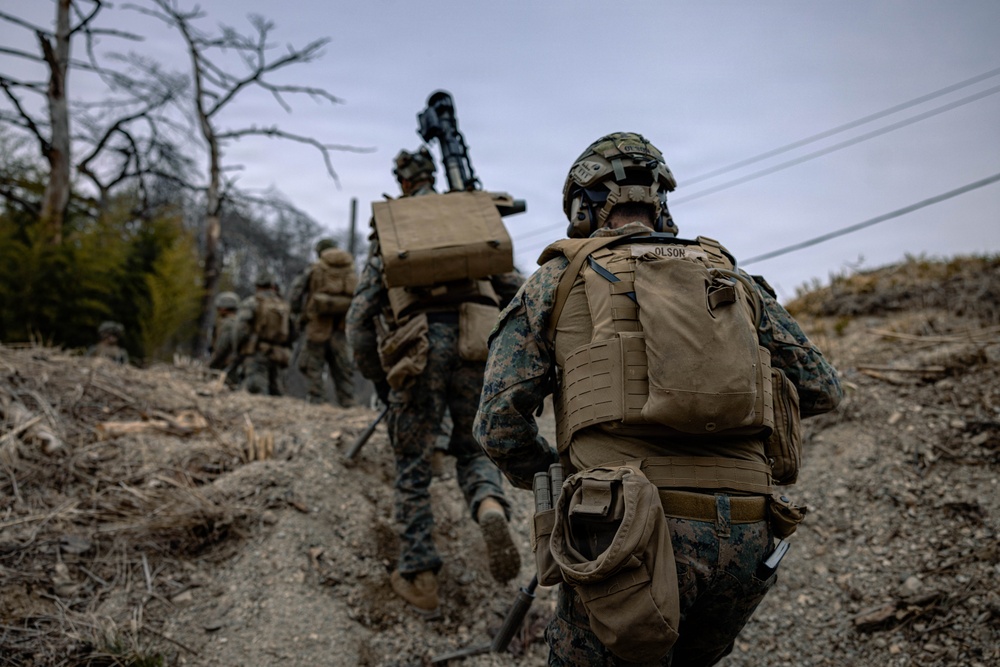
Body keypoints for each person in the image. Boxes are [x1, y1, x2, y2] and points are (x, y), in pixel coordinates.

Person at [474, 132, 843, 666]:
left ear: (583, 208)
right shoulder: (731, 278)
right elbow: (822, 389)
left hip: (625, 527)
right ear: (660, 201)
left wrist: (559, 480)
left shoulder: (556, 280)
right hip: (749, 530)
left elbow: (498, 424)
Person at [346, 147, 524, 618]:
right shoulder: (467, 218)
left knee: (413, 464)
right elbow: (515, 291)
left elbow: (359, 318)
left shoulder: (396, 225)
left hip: (417, 349)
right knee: (471, 449)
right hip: (475, 342)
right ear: (430, 177)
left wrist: (379, 376)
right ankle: (489, 506)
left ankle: (420, 577)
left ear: (402, 182)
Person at [288, 238, 357, 407]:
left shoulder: (315, 269)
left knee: (312, 365)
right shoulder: (351, 270)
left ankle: (318, 401)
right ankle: (348, 403)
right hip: (341, 326)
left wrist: (297, 312)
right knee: (343, 369)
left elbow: (296, 293)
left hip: (317, 325)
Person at [234, 273, 293, 396]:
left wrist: (239, 348)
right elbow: (293, 331)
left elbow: (240, 329)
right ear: (272, 286)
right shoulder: (284, 305)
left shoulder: (252, 302)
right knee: (276, 389)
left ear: (257, 286)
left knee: (256, 389)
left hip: (256, 352)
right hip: (279, 354)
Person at [209, 291, 242, 386]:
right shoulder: (239, 322)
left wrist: (211, 365)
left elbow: (221, 347)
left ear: (224, 307)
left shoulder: (227, 324)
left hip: (226, 366)